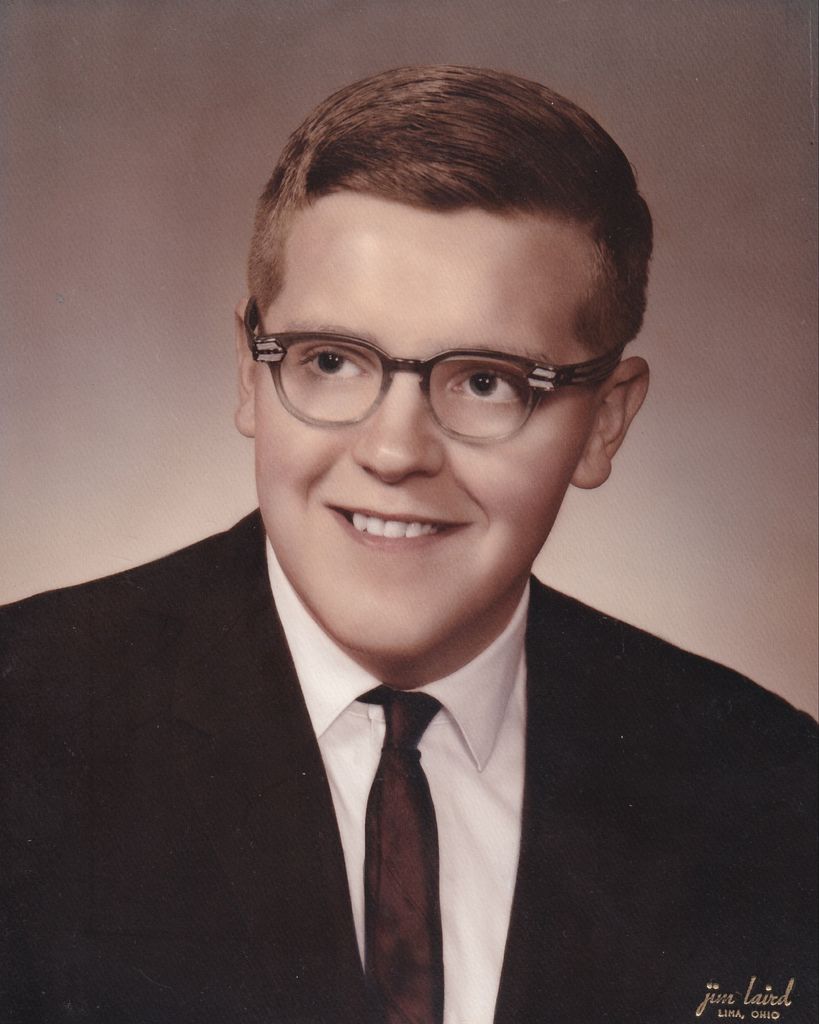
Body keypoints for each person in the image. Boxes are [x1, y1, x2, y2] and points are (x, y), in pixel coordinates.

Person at [1, 65, 815, 1024]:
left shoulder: (770, 789)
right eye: (331, 361)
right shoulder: (27, 726)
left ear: (605, 421)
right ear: (248, 373)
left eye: (486, 381)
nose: (392, 453)